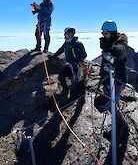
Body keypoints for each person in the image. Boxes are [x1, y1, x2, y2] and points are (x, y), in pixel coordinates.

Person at [95, 20, 129, 164]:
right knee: (111, 105)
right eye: (103, 33)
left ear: (113, 33)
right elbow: (105, 62)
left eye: (106, 33)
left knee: (113, 104)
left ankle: (123, 128)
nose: (104, 35)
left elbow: (118, 52)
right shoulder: (108, 43)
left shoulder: (121, 43)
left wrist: (107, 45)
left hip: (118, 80)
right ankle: (116, 128)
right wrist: (102, 79)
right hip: (108, 79)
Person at [51, 27, 87, 99]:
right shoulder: (67, 43)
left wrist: (79, 61)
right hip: (70, 64)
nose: (65, 35)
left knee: (79, 80)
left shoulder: (77, 43)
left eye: (66, 33)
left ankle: (81, 94)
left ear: (70, 34)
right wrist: (53, 56)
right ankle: (65, 90)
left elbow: (84, 55)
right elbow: (61, 50)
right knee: (61, 76)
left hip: (77, 65)